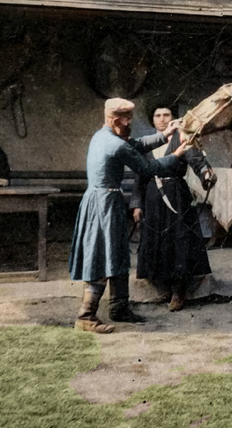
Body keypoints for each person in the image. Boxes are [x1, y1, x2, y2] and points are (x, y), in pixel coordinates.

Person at [68, 98, 190, 333]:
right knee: (102, 255)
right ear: (115, 120)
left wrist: (166, 134)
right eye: (127, 119)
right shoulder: (116, 145)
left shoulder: (102, 136)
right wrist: (176, 154)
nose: (130, 122)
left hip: (104, 201)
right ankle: (86, 316)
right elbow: (148, 169)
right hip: (103, 204)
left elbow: (137, 143)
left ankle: (119, 308)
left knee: (118, 252)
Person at [130, 104, 216, 312]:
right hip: (152, 196)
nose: (162, 119)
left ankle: (179, 292)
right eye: (157, 115)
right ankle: (164, 287)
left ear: (173, 118)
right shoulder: (147, 143)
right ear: (152, 120)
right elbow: (140, 177)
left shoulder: (182, 138)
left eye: (166, 115)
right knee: (156, 241)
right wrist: (136, 204)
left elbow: (197, 160)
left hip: (176, 195)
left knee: (179, 241)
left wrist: (205, 172)